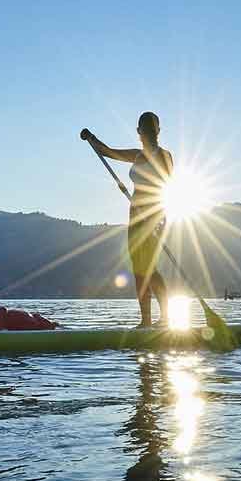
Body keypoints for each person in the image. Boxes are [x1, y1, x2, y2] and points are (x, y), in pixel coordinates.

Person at [82, 112, 174, 327]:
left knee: (150, 267)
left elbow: (166, 184)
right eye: (144, 128)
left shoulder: (164, 156)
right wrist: (91, 138)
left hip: (154, 216)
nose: (147, 133)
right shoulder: (138, 155)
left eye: (151, 129)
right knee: (138, 269)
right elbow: (108, 152)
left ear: (158, 131)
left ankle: (166, 319)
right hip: (135, 218)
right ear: (138, 131)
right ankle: (146, 322)